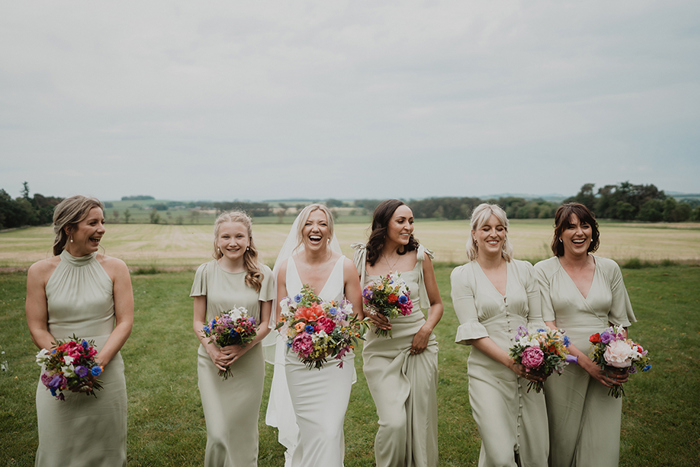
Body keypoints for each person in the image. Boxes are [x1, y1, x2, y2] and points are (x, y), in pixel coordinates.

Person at [26, 195, 133, 466]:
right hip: (57, 375)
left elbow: (125, 322)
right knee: (58, 449)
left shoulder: (116, 268)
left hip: (105, 373)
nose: (102, 229)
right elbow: (37, 327)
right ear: (69, 229)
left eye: (102, 222)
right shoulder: (39, 272)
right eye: (93, 223)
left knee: (107, 450)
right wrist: (64, 364)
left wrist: (99, 362)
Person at [535, 203, 636, 467]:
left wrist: (619, 357)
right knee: (561, 441)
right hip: (564, 367)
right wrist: (584, 362)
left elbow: (619, 323)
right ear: (559, 234)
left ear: (593, 231)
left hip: (606, 369)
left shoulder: (610, 268)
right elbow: (548, 327)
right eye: (570, 226)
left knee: (602, 442)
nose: (578, 232)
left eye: (584, 225)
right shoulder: (543, 271)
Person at [450, 203, 549, 467]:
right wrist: (510, 362)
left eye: (499, 228)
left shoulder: (526, 270)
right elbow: (471, 330)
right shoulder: (462, 275)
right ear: (474, 233)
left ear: (505, 232)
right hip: (488, 375)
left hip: (530, 374)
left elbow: (537, 321)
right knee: (501, 454)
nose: (493, 234)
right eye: (486, 228)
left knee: (536, 454)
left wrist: (537, 357)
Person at [266, 204, 363, 467]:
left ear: (330, 230)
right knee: (309, 432)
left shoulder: (345, 267)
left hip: (335, 363)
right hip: (299, 364)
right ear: (301, 230)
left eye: (321, 223)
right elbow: (281, 321)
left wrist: (331, 334)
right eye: (309, 223)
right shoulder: (286, 268)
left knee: (330, 430)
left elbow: (357, 319)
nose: (315, 228)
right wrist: (304, 336)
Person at [352, 199, 443, 467]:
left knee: (420, 423)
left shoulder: (420, 256)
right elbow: (352, 306)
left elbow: (437, 304)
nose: (408, 227)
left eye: (411, 221)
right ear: (384, 224)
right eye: (401, 221)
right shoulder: (362, 258)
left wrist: (426, 330)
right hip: (379, 351)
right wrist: (368, 313)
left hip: (419, 347)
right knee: (393, 423)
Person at [190, 211, 274, 467]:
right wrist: (212, 350)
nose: (232, 242)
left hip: (248, 363)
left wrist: (242, 347)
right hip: (211, 361)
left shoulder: (263, 274)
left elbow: (266, 323)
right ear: (217, 241)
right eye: (226, 236)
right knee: (217, 434)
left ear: (249, 240)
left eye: (239, 236)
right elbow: (198, 321)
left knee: (242, 433)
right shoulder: (205, 272)